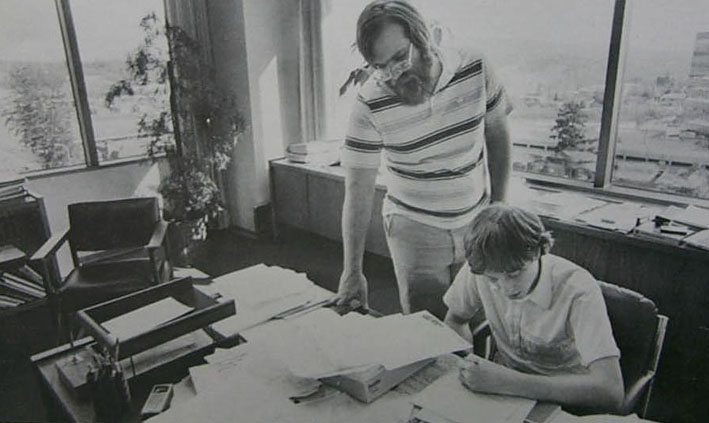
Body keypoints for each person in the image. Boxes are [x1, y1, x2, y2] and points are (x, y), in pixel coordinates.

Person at [335, 0, 512, 319]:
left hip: (476, 219)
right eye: (380, 66)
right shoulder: (370, 101)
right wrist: (352, 271)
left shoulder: (475, 66)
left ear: (423, 38)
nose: (393, 74)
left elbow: (498, 135)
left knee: (481, 316)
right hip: (414, 229)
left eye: (400, 57)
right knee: (428, 326)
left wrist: (498, 208)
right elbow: (358, 190)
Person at [443, 204, 624, 413]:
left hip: (565, 401)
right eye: (493, 279)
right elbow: (456, 319)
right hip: (503, 393)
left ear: (539, 251)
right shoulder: (483, 266)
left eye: (514, 274)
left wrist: (508, 382)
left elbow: (611, 391)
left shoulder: (578, 290)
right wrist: (466, 364)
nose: (507, 288)